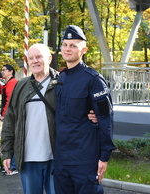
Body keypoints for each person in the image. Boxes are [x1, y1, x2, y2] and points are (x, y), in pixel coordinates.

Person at [53, 25, 115, 193]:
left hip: (84, 159)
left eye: (73, 45)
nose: (67, 49)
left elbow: (105, 118)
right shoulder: (61, 77)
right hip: (61, 159)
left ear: (84, 50)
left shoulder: (94, 80)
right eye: (65, 44)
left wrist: (104, 156)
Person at [1, 44, 57, 194]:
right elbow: (10, 121)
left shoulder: (62, 83)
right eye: (31, 58)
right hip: (28, 157)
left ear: (49, 58)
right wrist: (7, 152)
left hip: (57, 157)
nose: (34, 61)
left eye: (39, 57)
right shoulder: (21, 86)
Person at [0, 64, 18, 176]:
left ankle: (13, 165)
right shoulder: (9, 83)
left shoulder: (12, 83)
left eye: (4, 70)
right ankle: (10, 165)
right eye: (1, 70)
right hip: (9, 115)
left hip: (11, 117)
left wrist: (4, 114)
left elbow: (9, 101)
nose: (1, 72)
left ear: (11, 71)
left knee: (11, 139)